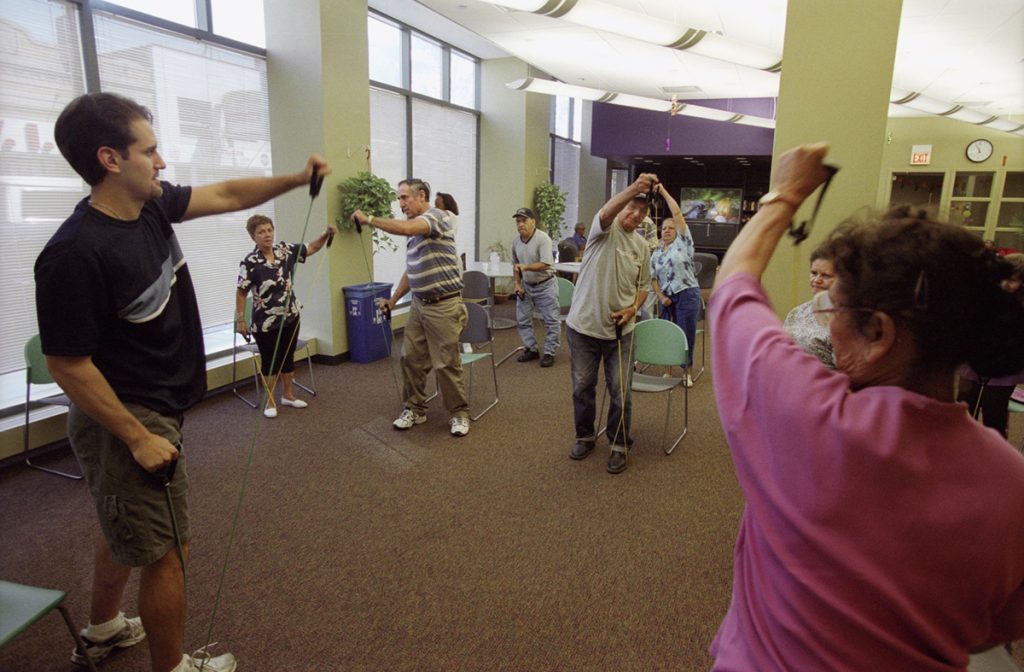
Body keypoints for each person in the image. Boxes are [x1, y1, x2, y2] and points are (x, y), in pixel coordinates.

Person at [34, 92, 331, 672]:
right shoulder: (73, 254)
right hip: (129, 417)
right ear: (110, 159)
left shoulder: (147, 206)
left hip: (152, 407)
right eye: (150, 150)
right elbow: (66, 365)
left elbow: (224, 195)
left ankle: (102, 627)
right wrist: (137, 437)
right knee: (168, 550)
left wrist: (296, 179)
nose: (163, 162)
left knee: (122, 522)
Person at [708, 143, 1024, 670]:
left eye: (833, 306)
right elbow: (999, 626)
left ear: (878, 332)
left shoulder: (804, 413)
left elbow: (734, 284)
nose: (824, 317)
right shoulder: (1011, 480)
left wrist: (786, 193)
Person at [352, 179, 470, 437]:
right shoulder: (417, 233)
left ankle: (459, 413)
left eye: (405, 198)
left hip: (444, 304)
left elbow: (406, 229)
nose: (401, 203)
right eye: (399, 199)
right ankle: (415, 410)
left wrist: (370, 218)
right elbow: (413, 270)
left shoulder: (436, 217)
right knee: (411, 359)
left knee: (446, 363)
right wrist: (393, 301)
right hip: (419, 304)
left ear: (421, 196)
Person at [565, 174, 654, 474]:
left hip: (620, 332)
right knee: (582, 387)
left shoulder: (642, 247)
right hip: (583, 328)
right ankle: (585, 436)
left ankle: (618, 444)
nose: (636, 215)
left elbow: (643, 287)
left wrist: (632, 309)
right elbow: (606, 212)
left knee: (621, 391)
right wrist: (635, 188)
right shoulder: (603, 229)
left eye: (642, 212)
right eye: (632, 207)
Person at [235, 214, 336, 418]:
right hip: (265, 321)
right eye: (261, 232)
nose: (267, 235)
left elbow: (311, 248)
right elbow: (241, 292)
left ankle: (288, 395)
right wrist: (241, 319)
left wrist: (326, 234)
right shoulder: (250, 262)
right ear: (252, 236)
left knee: (288, 356)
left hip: (291, 315)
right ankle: (270, 400)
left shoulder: (284, 250)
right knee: (270, 361)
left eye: (269, 230)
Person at [957, 252, 1024, 437]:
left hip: (1005, 366)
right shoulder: (985, 295)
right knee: (964, 405)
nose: (1005, 285)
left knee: (994, 411)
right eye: (1003, 279)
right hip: (974, 361)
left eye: (1012, 280)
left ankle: (995, 454)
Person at [648, 182, 700, 386]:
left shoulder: (684, 243)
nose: (667, 230)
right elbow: (653, 279)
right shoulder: (656, 253)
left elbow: (677, 214)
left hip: (687, 294)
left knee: (686, 334)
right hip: (666, 297)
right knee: (668, 333)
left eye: (671, 228)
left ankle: (686, 372)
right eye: (664, 228)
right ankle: (668, 370)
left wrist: (662, 192)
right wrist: (661, 297)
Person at [510, 207, 560, 368]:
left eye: (524, 221)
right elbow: (516, 266)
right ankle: (531, 348)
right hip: (526, 285)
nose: (520, 224)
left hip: (545, 285)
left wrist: (526, 267)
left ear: (533, 222)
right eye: (518, 221)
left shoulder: (542, 239)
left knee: (551, 321)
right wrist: (517, 284)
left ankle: (549, 352)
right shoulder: (516, 241)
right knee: (523, 319)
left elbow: (546, 264)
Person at [781, 241, 838, 368]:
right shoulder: (797, 312)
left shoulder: (847, 318)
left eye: (826, 275)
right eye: (814, 273)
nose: (816, 280)